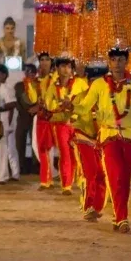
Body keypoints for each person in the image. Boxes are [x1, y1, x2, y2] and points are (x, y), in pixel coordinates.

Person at [69, 48, 131, 233]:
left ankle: (119, 217)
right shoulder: (99, 84)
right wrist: (71, 105)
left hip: (130, 137)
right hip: (109, 137)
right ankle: (122, 218)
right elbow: (84, 108)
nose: (117, 64)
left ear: (127, 62)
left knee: (125, 179)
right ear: (109, 62)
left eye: (121, 60)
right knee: (114, 176)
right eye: (113, 60)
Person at [43, 57, 88, 195]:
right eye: (62, 66)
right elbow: (48, 105)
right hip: (61, 124)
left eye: (68, 67)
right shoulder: (52, 86)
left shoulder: (80, 83)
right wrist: (61, 105)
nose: (66, 70)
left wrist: (74, 106)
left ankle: (82, 180)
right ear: (57, 69)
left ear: (72, 69)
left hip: (78, 123)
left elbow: (88, 100)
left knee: (79, 153)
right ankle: (66, 185)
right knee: (65, 153)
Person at [71, 67, 106, 222]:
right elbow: (73, 118)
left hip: (101, 140)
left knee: (102, 175)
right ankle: (87, 207)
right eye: (94, 81)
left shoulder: (107, 99)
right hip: (83, 138)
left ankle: (96, 208)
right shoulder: (79, 98)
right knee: (90, 173)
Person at [27, 52, 59, 189]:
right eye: (42, 60)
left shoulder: (56, 78)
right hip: (41, 117)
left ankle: (52, 178)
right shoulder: (36, 80)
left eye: (47, 59)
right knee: (39, 147)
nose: (45, 62)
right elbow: (33, 99)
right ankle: (49, 176)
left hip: (56, 116)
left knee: (59, 148)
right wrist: (29, 84)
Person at [0, 65, 20, 181]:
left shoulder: (8, 88)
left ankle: (15, 174)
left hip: (7, 121)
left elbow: (12, 106)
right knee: (2, 149)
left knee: (10, 148)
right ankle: (5, 174)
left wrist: (10, 124)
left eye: (0, 73)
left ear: (4, 75)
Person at [15, 64, 38, 174]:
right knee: (19, 142)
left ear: (35, 73)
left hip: (36, 117)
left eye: (32, 72)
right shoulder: (19, 86)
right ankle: (21, 166)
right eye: (27, 71)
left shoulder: (39, 85)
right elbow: (18, 101)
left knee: (35, 142)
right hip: (23, 116)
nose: (29, 73)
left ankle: (36, 166)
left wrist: (35, 109)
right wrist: (25, 110)